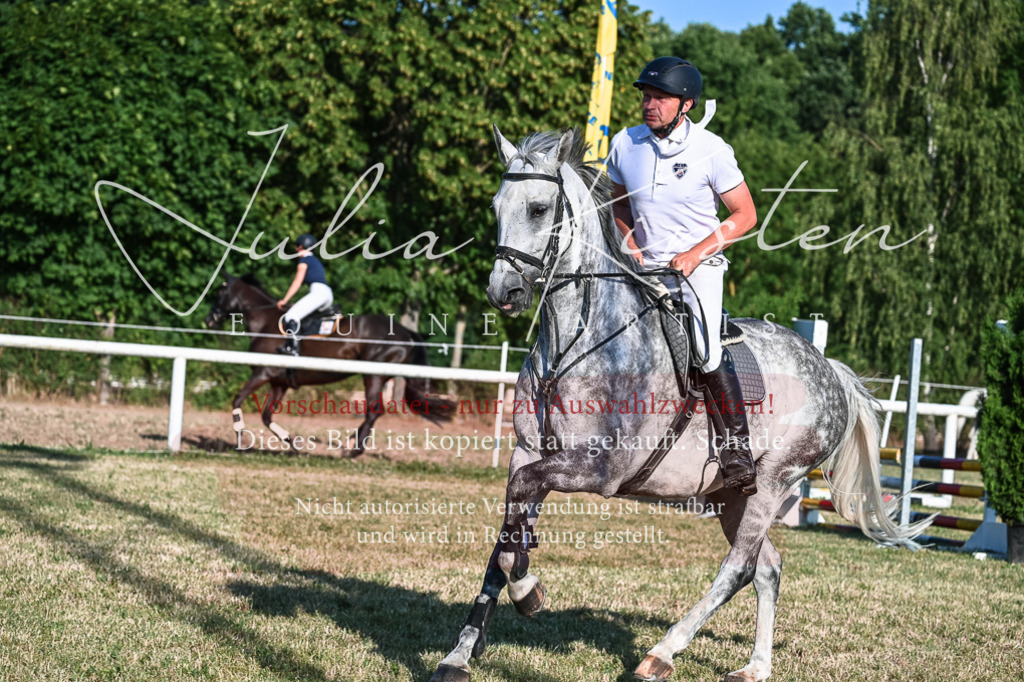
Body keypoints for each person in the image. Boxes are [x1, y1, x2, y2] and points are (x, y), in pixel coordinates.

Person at [606, 56, 759, 494]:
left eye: (659, 98)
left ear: (685, 104)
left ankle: (736, 450)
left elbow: (745, 214)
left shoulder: (712, 150)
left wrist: (694, 255)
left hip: (699, 269)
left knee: (707, 352)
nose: (648, 104)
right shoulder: (624, 144)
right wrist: (629, 244)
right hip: (643, 269)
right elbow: (619, 204)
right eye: (645, 96)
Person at [276, 233, 333, 356]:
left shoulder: (304, 261)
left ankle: (293, 349)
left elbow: (297, 283)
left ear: (302, 246)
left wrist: (284, 301)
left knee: (291, 316)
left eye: (297, 246)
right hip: (327, 294)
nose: (296, 249)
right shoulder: (315, 260)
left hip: (318, 293)